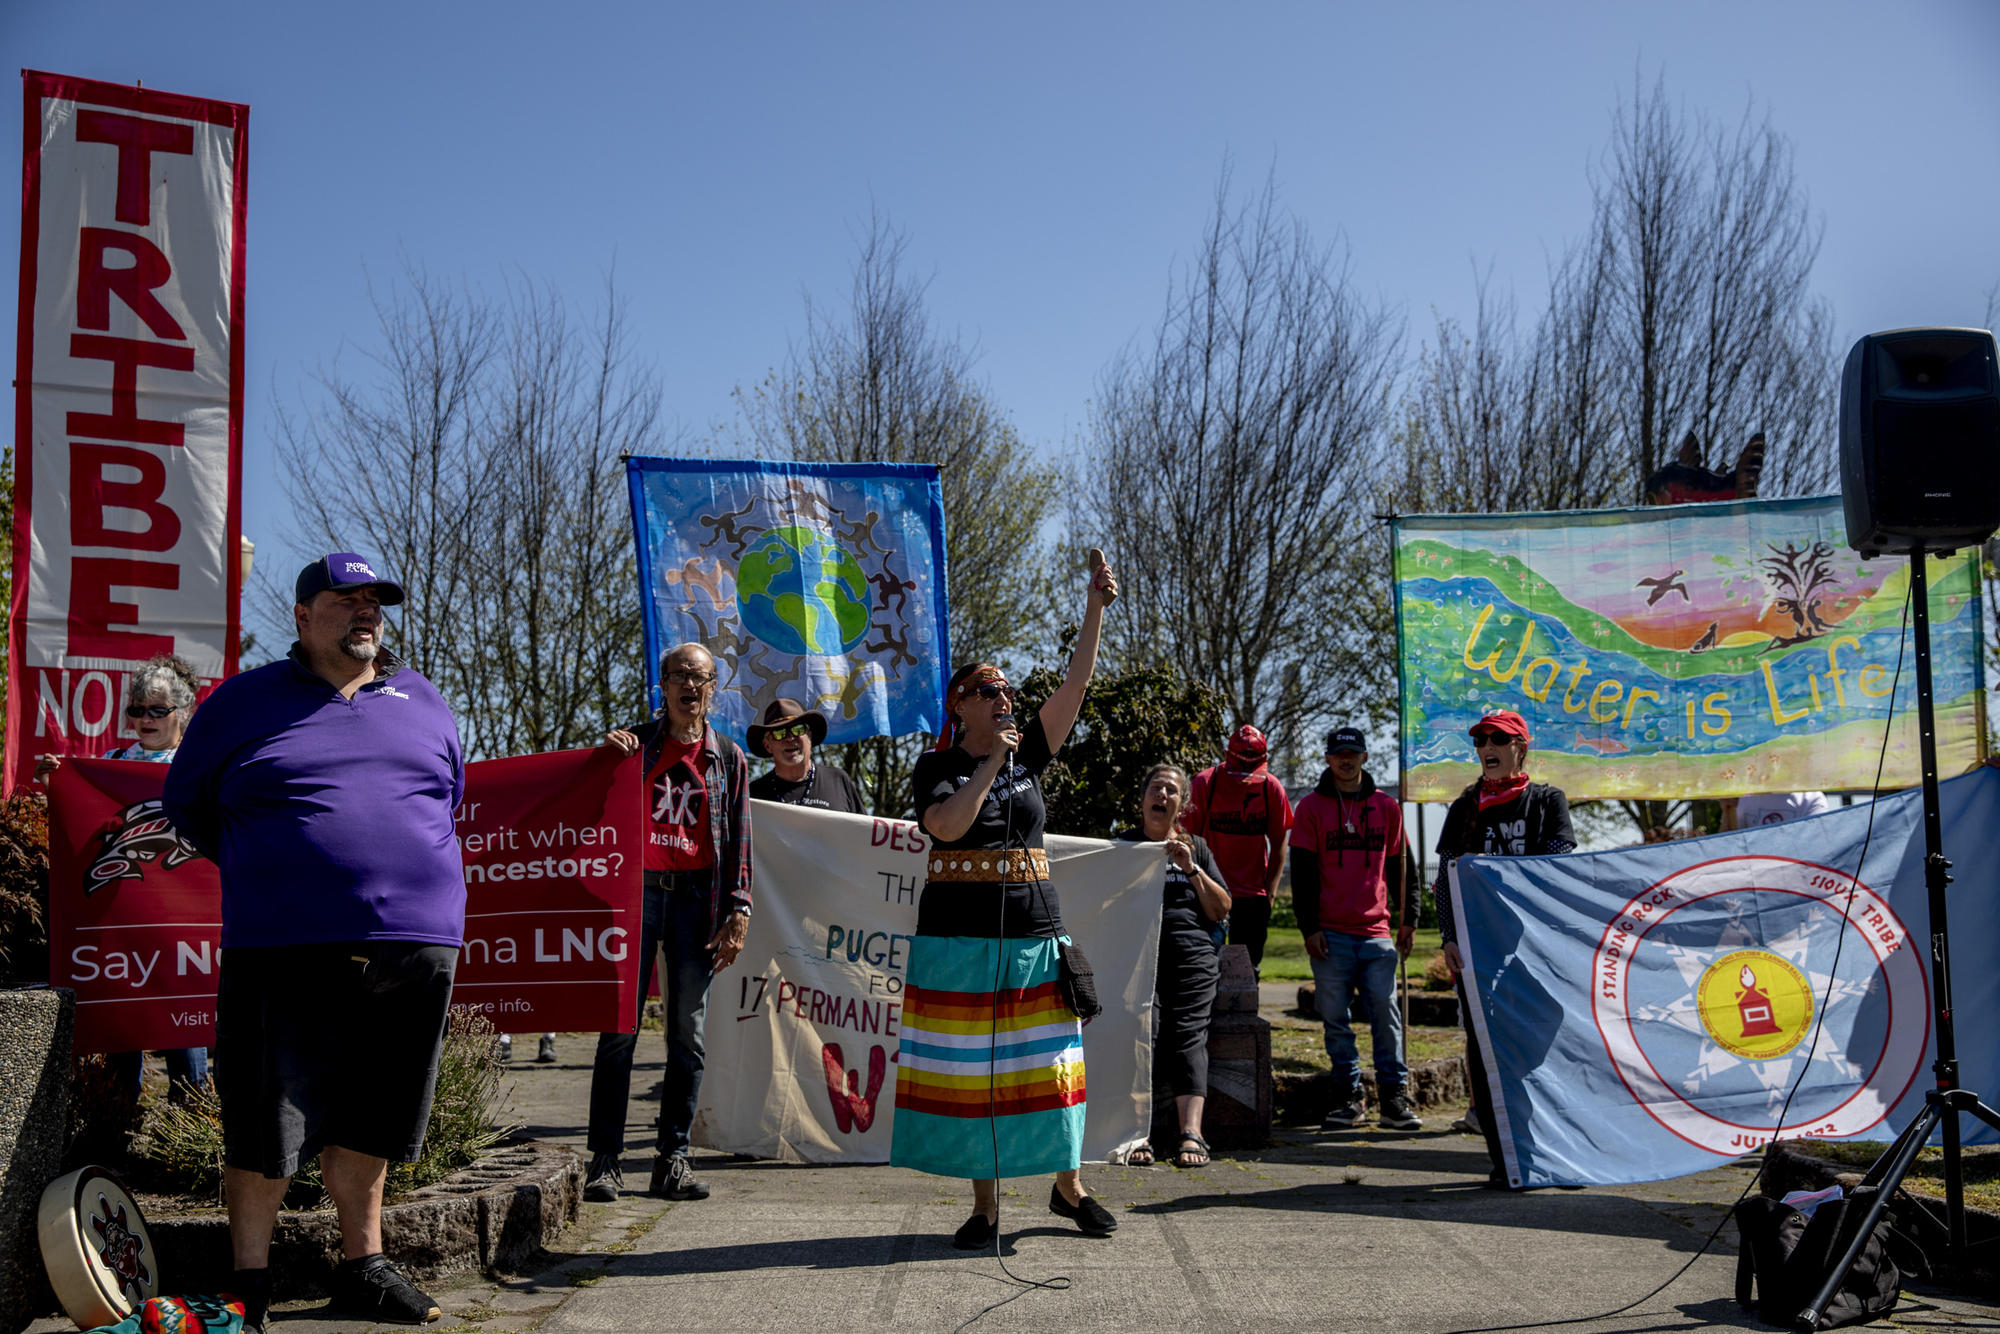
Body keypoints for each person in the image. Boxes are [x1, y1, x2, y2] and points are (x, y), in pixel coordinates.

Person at [162, 552, 465, 1328]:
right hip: (283, 946)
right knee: (266, 1120)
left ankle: (363, 1268)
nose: (366, 612)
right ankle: (249, 1290)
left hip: (414, 946)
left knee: (373, 1115)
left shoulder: (424, 699)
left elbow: (444, 799)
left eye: (376, 602)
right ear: (302, 616)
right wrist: (287, 869)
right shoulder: (238, 703)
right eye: (346, 599)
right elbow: (190, 810)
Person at [891, 553, 1119, 1249]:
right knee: (972, 1076)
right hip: (958, 945)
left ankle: (1067, 1188)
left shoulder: (1032, 756)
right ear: (960, 704)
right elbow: (947, 827)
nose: (1004, 700)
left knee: (1052, 1069)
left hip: (1033, 933)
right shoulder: (938, 767)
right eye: (988, 691)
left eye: (1008, 692)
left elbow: (1076, 685)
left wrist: (1096, 609)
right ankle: (986, 1208)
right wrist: (989, 765)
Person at [585, 642, 752, 1204]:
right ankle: (604, 1161)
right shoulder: (634, 745)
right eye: (678, 674)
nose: (688, 685)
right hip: (636, 897)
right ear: (662, 684)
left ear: (713, 688)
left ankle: (671, 1161)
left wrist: (740, 910)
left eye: (699, 677)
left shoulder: (728, 757)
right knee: (619, 1031)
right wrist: (604, 756)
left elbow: (741, 841)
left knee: (689, 1034)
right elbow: (591, 803)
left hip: (697, 902)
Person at [39, 654, 211, 1105]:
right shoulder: (111, 763)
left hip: (180, 932)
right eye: (137, 709)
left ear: (183, 713)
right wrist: (54, 782)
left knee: (185, 1046)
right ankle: (119, 1136)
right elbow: (78, 821)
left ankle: (187, 1140)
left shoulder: (199, 767)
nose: (145, 719)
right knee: (122, 1041)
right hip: (124, 931)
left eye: (157, 710)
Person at [1433, 709, 1574, 1188]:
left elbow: (1559, 865)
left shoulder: (1547, 801)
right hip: (1479, 954)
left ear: (1521, 748)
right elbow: (1445, 880)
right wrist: (1448, 937)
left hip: (1536, 953)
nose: (1486, 747)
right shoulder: (1464, 807)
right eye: (1480, 741)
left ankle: (1558, 1155)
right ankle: (1508, 1162)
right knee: (1487, 1053)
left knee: (1543, 1052)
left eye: (1498, 739)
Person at [1290, 727, 1422, 1133]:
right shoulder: (1310, 808)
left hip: (1377, 932)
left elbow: (1405, 870)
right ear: (1328, 759)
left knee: (1386, 1013)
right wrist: (1309, 928)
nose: (1346, 760)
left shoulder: (1387, 807)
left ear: (1365, 757)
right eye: (1338, 754)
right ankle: (1349, 1097)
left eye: (1353, 753)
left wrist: (1409, 919)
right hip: (1330, 933)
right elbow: (1301, 875)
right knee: (1335, 1018)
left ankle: (1393, 1098)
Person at [1115, 763, 1229, 1169]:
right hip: (1136, 956)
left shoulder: (1195, 847)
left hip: (1191, 956)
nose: (1162, 796)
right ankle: (1136, 1134)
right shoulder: (1122, 848)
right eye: (1156, 788)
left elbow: (1221, 909)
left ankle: (1190, 1133)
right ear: (1142, 798)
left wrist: (1191, 869)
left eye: (1172, 791)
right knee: (1140, 1027)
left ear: (1181, 806)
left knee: (1187, 1034)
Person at [1184, 725, 1291, 973]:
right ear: (1227, 755)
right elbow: (1189, 840)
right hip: (1209, 891)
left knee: (1246, 971)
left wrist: (1270, 894)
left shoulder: (1270, 788)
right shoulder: (1205, 784)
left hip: (1252, 897)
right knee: (1204, 966)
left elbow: (1278, 843)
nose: (1244, 775)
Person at [747, 697, 868, 813]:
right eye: (780, 733)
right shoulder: (753, 794)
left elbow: (863, 831)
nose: (790, 738)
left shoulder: (838, 781)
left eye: (798, 729)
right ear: (767, 745)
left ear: (809, 736)